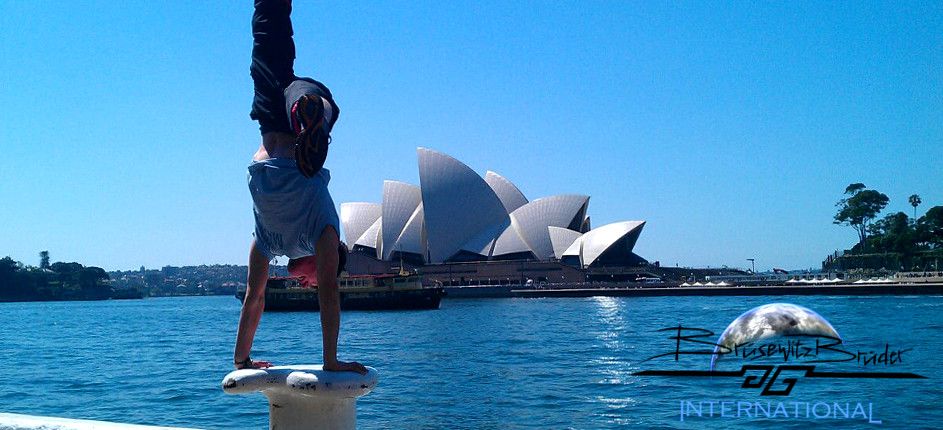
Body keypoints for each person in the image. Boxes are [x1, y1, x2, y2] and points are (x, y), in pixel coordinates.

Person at [233, 0, 366, 375]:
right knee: (307, 91)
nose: (307, 283)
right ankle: (309, 112)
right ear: (327, 264)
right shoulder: (324, 235)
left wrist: (242, 360)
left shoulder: (267, 242)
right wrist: (330, 360)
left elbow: (254, 297)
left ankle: (308, 111)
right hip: (288, 146)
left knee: (268, 31)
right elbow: (329, 294)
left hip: (270, 127)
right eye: (311, 279)